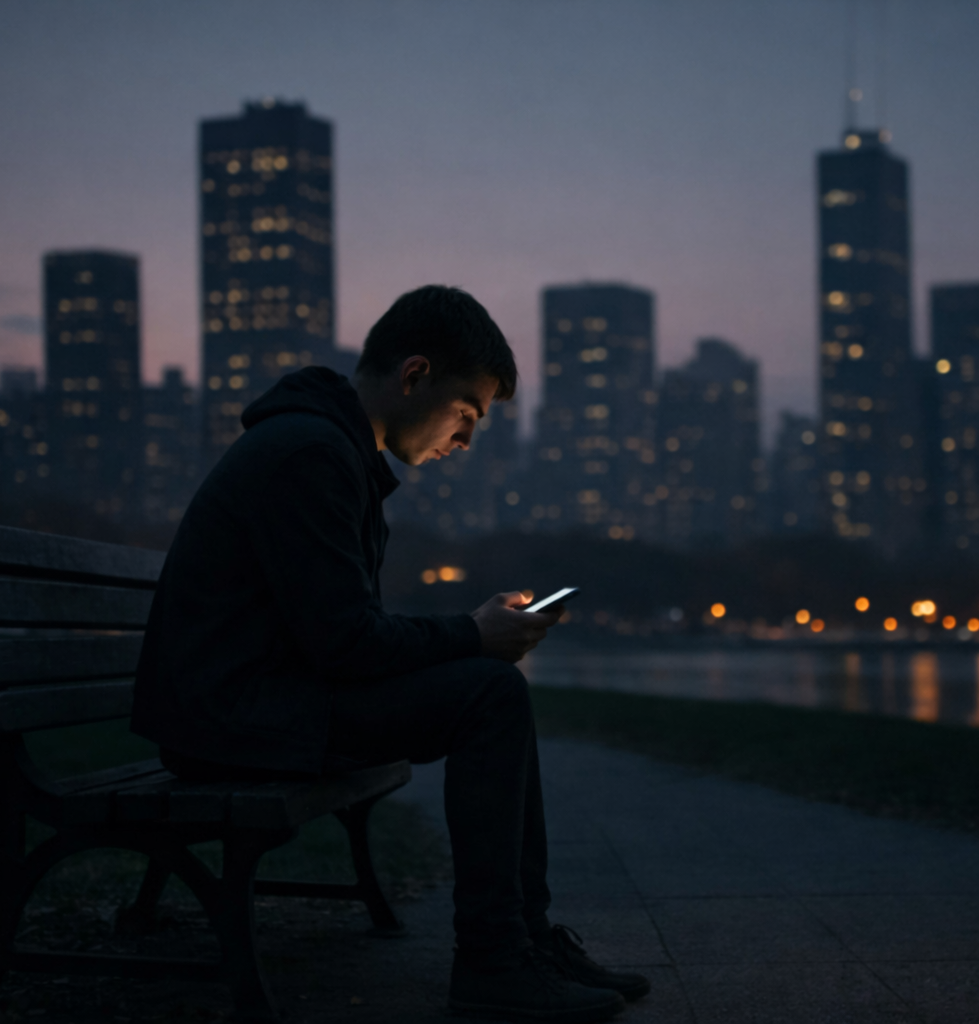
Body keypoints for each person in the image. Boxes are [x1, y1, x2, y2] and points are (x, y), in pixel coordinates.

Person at [133, 285, 646, 1022]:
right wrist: (472, 634)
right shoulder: (309, 454)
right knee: (489, 694)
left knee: (486, 686)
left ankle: (526, 940)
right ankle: (497, 959)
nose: (467, 439)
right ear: (414, 376)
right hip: (232, 719)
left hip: (254, 700)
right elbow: (344, 643)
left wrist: (473, 635)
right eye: (467, 412)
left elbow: (339, 632)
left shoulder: (330, 449)